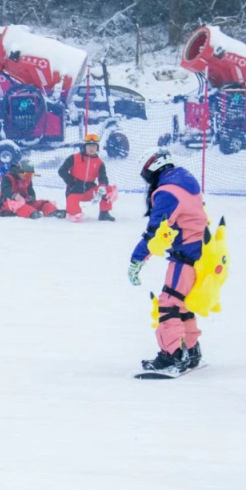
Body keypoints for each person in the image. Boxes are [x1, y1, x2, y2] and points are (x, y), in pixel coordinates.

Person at [128, 148, 208, 372]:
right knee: (181, 302)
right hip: (200, 252)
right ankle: (190, 349)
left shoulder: (167, 192)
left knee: (168, 304)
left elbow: (156, 232)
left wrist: (137, 259)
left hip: (185, 256)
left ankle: (172, 355)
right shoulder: (184, 183)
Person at [57, 133, 118, 222]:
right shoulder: (74, 158)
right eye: (89, 146)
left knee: (108, 189)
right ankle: (73, 212)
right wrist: (72, 183)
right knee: (75, 215)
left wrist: (102, 186)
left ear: (97, 148)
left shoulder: (99, 162)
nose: (91, 148)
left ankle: (104, 214)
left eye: (94, 146)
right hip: (74, 190)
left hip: (90, 191)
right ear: (85, 147)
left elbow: (103, 177)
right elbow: (62, 171)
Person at [0, 160, 67, 219]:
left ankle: (52, 212)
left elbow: (31, 192)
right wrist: (14, 196)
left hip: (24, 202)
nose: (29, 177)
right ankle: (32, 213)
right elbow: (5, 190)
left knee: (43, 203)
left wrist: (31, 198)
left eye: (31, 175)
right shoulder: (8, 178)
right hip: (9, 203)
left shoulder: (27, 180)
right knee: (22, 207)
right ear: (20, 171)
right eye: (27, 175)